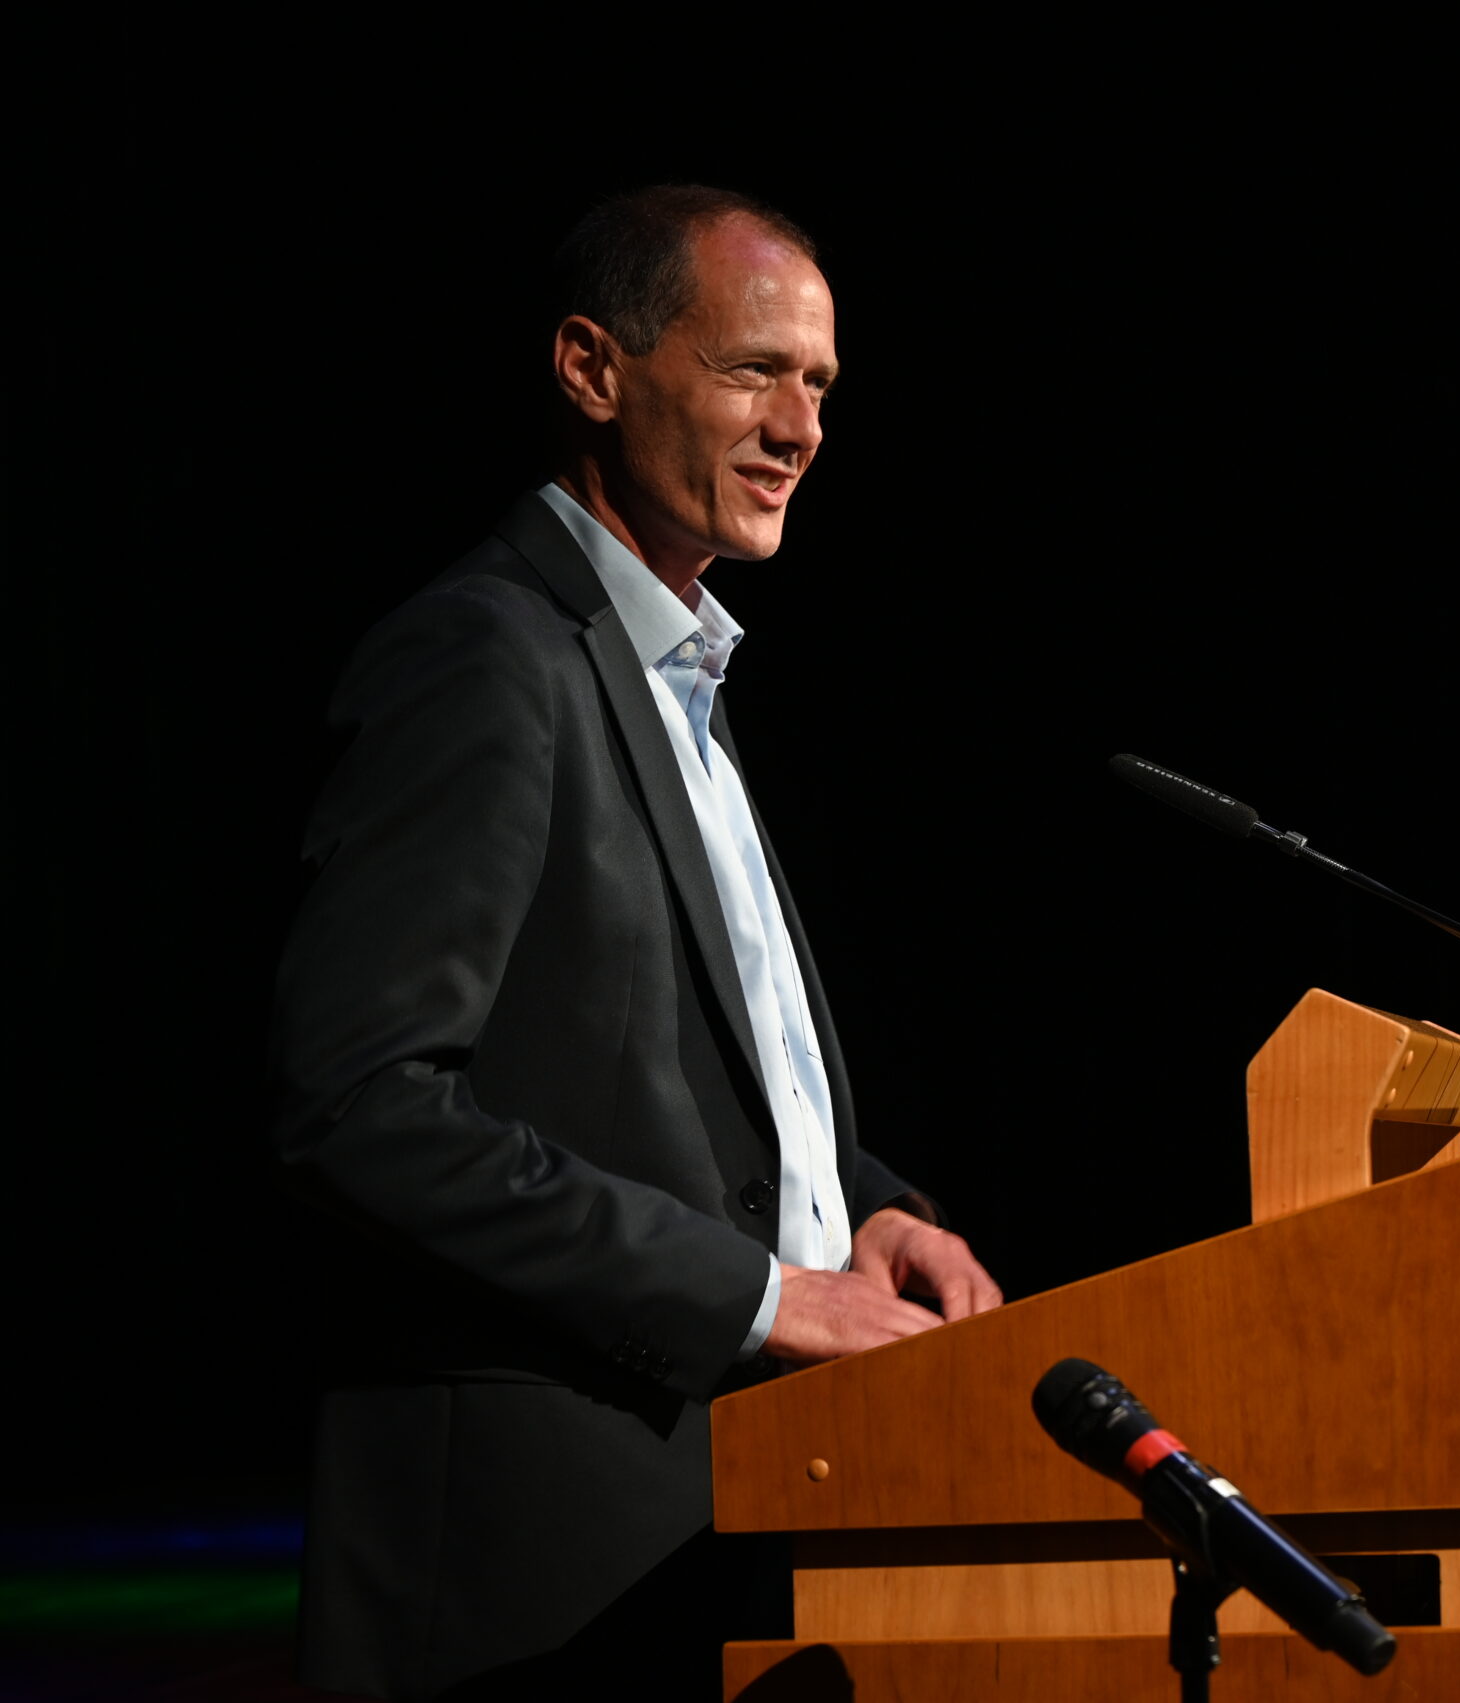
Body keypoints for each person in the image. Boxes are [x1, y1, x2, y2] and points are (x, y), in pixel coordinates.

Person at [269, 185, 1002, 1701]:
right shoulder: (481, 656)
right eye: (752, 370)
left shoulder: (679, 679)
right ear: (593, 369)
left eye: (819, 383)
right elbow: (360, 1102)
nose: (799, 425)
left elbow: (663, 1071)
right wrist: (763, 1291)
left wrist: (858, 1213)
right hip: (533, 1586)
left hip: (726, 1529)